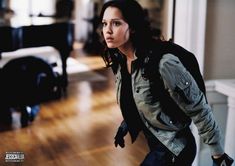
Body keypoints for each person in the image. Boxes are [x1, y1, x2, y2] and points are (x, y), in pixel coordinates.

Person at [99, 0, 234, 165]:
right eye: (105, 24)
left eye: (116, 23)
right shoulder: (121, 61)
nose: (108, 30)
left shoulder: (164, 63)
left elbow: (199, 109)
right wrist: (127, 123)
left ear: (132, 27)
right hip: (157, 144)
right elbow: (141, 99)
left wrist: (218, 155)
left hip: (176, 148)